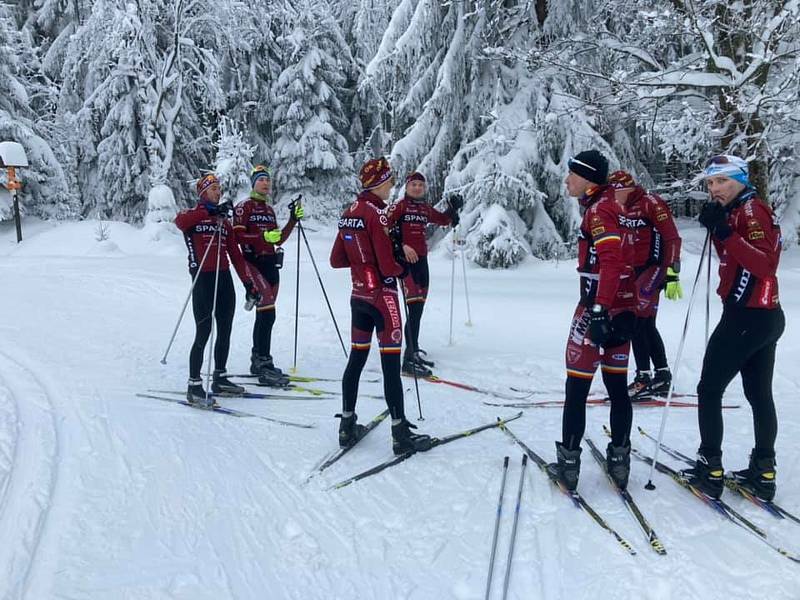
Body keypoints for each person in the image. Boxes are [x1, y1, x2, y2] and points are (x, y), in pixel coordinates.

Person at [681, 155, 784, 501]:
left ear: (740, 179)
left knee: (709, 389)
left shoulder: (752, 211)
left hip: (747, 318)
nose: (714, 189)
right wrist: (718, 228)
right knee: (758, 395)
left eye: (722, 181)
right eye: (710, 183)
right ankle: (763, 472)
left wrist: (724, 230)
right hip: (761, 316)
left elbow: (764, 264)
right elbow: (733, 259)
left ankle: (710, 470)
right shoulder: (739, 210)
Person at [330, 157, 432, 456]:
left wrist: (364, 263)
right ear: (378, 182)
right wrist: (401, 267)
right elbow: (389, 267)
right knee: (390, 367)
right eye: (388, 180)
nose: (391, 185)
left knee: (356, 360)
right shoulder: (377, 214)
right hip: (383, 298)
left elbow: (337, 259)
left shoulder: (349, 212)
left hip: (358, 296)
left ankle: (346, 425)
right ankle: (400, 435)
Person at [547, 150, 636, 491]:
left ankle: (568, 465)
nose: (567, 180)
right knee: (616, 386)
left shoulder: (599, 211)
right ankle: (619, 459)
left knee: (577, 387)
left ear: (588, 180)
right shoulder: (612, 207)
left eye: (572, 175)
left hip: (596, 311)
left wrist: (599, 309)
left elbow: (611, 262)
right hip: (622, 308)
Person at [175, 173, 259, 406]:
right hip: (203, 278)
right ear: (203, 192)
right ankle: (194, 385)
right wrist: (210, 212)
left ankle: (220, 377)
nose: (218, 192)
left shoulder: (224, 222)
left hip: (224, 278)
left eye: (219, 188)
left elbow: (237, 256)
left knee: (225, 329)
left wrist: (248, 284)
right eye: (213, 189)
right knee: (203, 331)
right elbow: (180, 221)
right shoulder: (194, 216)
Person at [608, 170, 682, 399]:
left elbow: (672, 237)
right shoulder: (621, 208)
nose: (613, 197)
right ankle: (662, 376)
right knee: (646, 323)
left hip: (654, 268)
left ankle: (644, 377)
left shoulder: (650, 203)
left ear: (626, 188)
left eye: (615, 192)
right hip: (633, 271)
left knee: (636, 321)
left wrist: (672, 272)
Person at [385, 171, 463, 376]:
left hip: (422, 262)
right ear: (407, 187)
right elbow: (382, 227)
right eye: (414, 185)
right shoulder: (399, 206)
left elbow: (443, 220)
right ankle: (407, 360)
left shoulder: (424, 208)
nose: (417, 188)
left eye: (421, 185)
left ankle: (413, 352)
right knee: (414, 309)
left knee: (418, 309)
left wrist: (453, 209)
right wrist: (401, 246)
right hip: (405, 263)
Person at [233, 165, 304, 385]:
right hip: (252, 262)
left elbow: (277, 240)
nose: (266, 183)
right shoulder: (244, 207)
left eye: (268, 180)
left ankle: (261, 360)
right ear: (253, 183)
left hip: (270, 264)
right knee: (267, 313)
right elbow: (238, 239)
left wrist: (293, 220)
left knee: (266, 315)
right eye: (261, 180)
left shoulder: (269, 210)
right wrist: (263, 237)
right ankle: (262, 363)